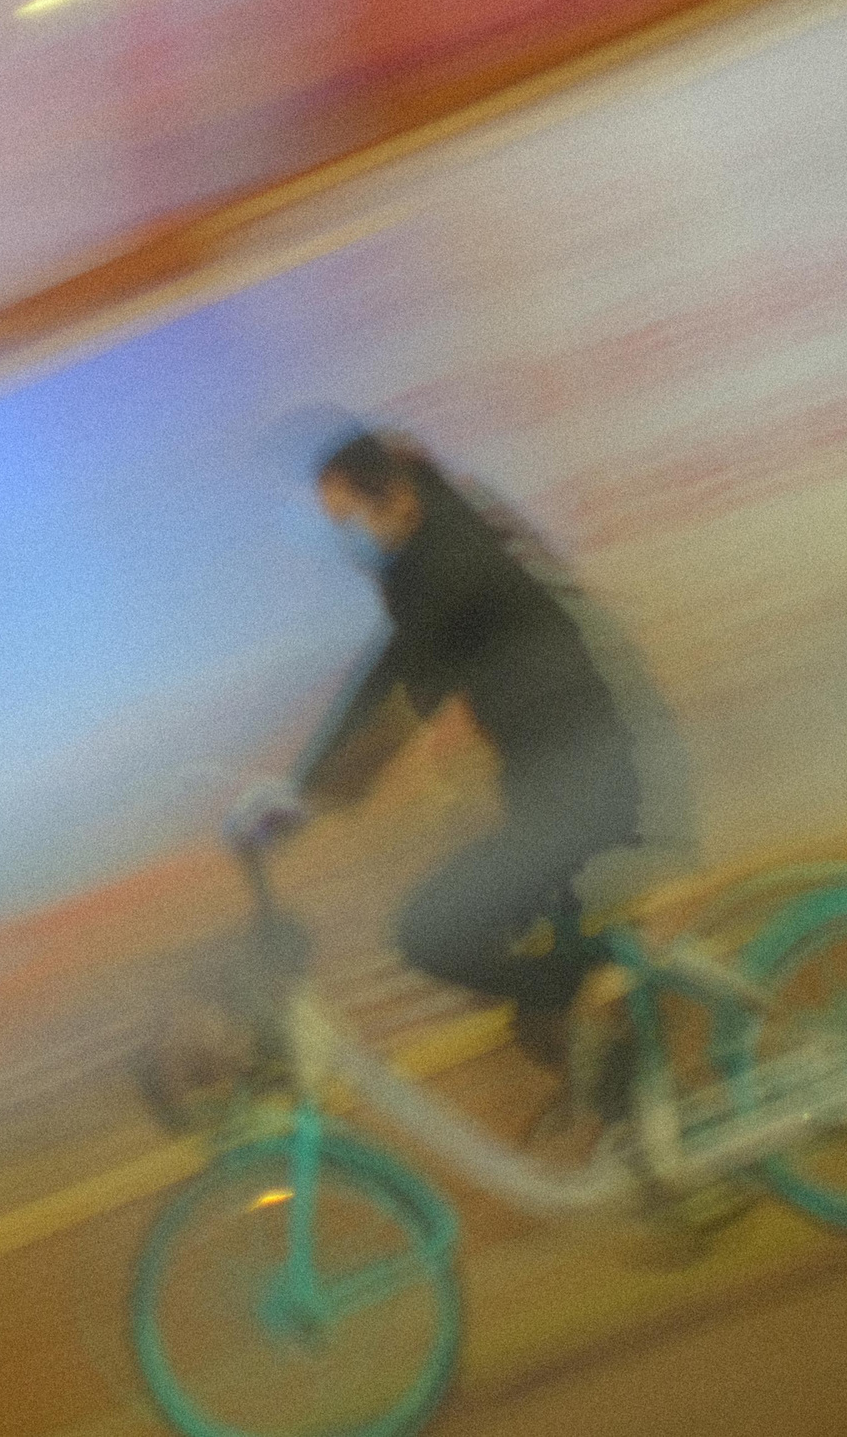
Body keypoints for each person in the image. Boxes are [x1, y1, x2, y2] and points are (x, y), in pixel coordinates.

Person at [228, 427, 672, 1077]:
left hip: (586, 792)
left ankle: (606, 1011)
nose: (346, 539)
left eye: (349, 518)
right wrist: (300, 786)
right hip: (569, 785)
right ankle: (610, 1039)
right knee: (520, 959)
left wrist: (306, 796)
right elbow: (389, 669)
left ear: (394, 494)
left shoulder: (446, 560)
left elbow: (406, 687)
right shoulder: (429, 551)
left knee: (431, 932)